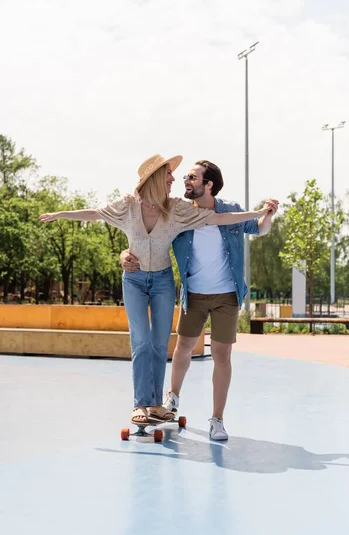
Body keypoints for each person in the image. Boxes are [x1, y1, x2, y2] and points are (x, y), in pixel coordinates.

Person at [40, 154, 274, 426]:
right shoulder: (134, 206)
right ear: (154, 178)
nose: (177, 179)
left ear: (208, 184)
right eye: (170, 175)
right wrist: (62, 215)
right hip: (152, 284)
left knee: (162, 343)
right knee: (145, 341)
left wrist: (260, 213)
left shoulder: (177, 209)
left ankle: (173, 408)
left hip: (173, 282)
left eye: (187, 176)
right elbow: (98, 215)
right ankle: (146, 402)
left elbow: (222, 219)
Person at [120, 159, 278, 439]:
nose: (185, 181)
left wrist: (268, 216)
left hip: (227, 294)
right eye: (185, 177)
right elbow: (147, 235)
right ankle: (173, 397)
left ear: (209, 185)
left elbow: (258, 228)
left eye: (192, 178)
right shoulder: (178, 211)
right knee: (183, 347)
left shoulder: (230, 210)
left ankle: (217, 419)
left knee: (221, 355)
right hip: (193, 294)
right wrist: (125, 254)